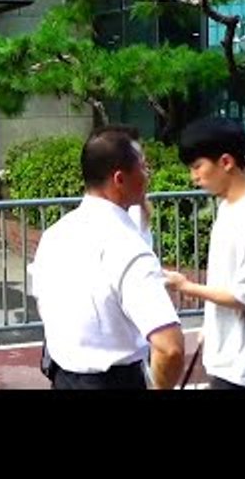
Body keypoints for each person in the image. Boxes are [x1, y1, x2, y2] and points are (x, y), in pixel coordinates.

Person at [28, 127, 185, 390]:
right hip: (114, 380)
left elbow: (44, 301)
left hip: (63, 376)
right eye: (144, 168)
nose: (148, 176)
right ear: (119, 179)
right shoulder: (127, 246)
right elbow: (170, 348)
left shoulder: (55, 234)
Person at [165, 117, 245, 390]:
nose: (194, 177)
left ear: (226, 162)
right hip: (229, 353)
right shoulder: (228, 206)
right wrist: (211, 324)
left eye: (198, 166)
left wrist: (187, 286)